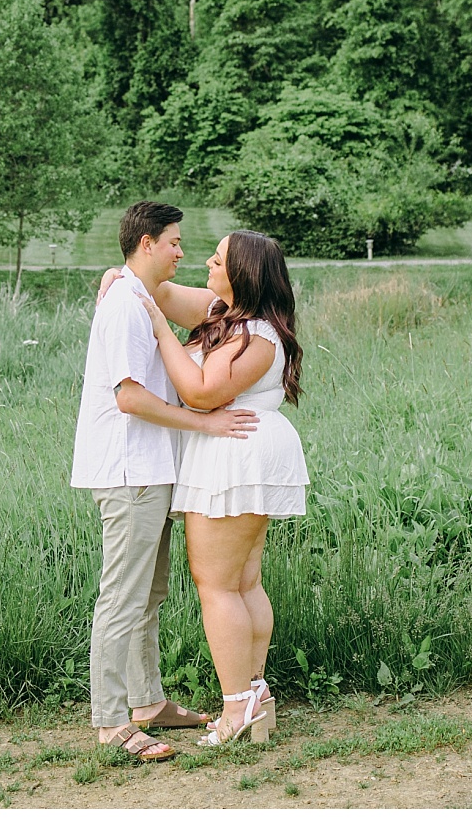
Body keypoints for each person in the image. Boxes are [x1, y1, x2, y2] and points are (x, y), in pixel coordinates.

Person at [71, 202, 261, 762]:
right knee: (122, 598)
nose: (183, 251)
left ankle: (148, 703)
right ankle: (110, 722)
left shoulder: (140, 297)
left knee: (148, 594)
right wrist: (204, 421)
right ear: (147, 244)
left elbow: (216, 308)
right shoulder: (126, 305)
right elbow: (128, 396)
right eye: (175, 242)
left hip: (151, 471)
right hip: (128, 471)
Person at [116, 229, 307, 746]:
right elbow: (163, 293)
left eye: (217, 258)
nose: (205, 261)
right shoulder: (227, 312)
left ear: (240, 272)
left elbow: (200, 394)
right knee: (243, 582)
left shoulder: (256, 336)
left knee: (219, 584)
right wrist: (121, 279)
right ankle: (253, 694)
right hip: (236, 453)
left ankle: (236, 705)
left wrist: (158, 331)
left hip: (236, 455)